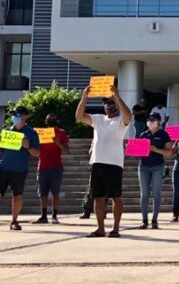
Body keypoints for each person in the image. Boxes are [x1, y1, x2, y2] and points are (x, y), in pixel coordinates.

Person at [76, 86, 132, 238]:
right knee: (98, 197)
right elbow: (80, 116)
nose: (109, 105)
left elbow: (128, 115)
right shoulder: (98, 119)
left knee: (116, 197)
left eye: (111, 102)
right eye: (107, 103)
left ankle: (115, 228)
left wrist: (117, 96)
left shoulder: (121, 120)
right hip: (98, 162)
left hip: (114, 164)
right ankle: (100, 228)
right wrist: (85, 96)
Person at [0, 107, 40, 230]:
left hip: (19, 170)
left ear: (25, 117)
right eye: (13, 115)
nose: (14, 117)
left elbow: (37, 153)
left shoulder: (31, 133)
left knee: (17, 196)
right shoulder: (6, 131)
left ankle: (14, 221)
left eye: (16, 114)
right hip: (2, 168)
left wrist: (27, 146)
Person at [137, 113, 171, 229]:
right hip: (144, 166)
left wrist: (156, 149)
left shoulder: (163, 135)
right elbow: (137, 151)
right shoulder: (143, 134)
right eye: (149, 120)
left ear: (159, 122)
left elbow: (169, 152)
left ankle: (154, 220)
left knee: (156, 194)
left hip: (158, 166)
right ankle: (144, 220)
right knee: (144, 194)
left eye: (153, 120)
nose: (150, 122)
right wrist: (132, 148)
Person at [33, 113, 69, 224]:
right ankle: (43, 216)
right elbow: (36, 149)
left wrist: (58, 143)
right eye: (49, 119)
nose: (51, 120)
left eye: (53, 119)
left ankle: (54, 216)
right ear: (46, 121)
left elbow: (66, 151)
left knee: (55, 193)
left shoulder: (62, 133)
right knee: (42, 193)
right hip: (42, 166)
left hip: (56, 167)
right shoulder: (40, 133)